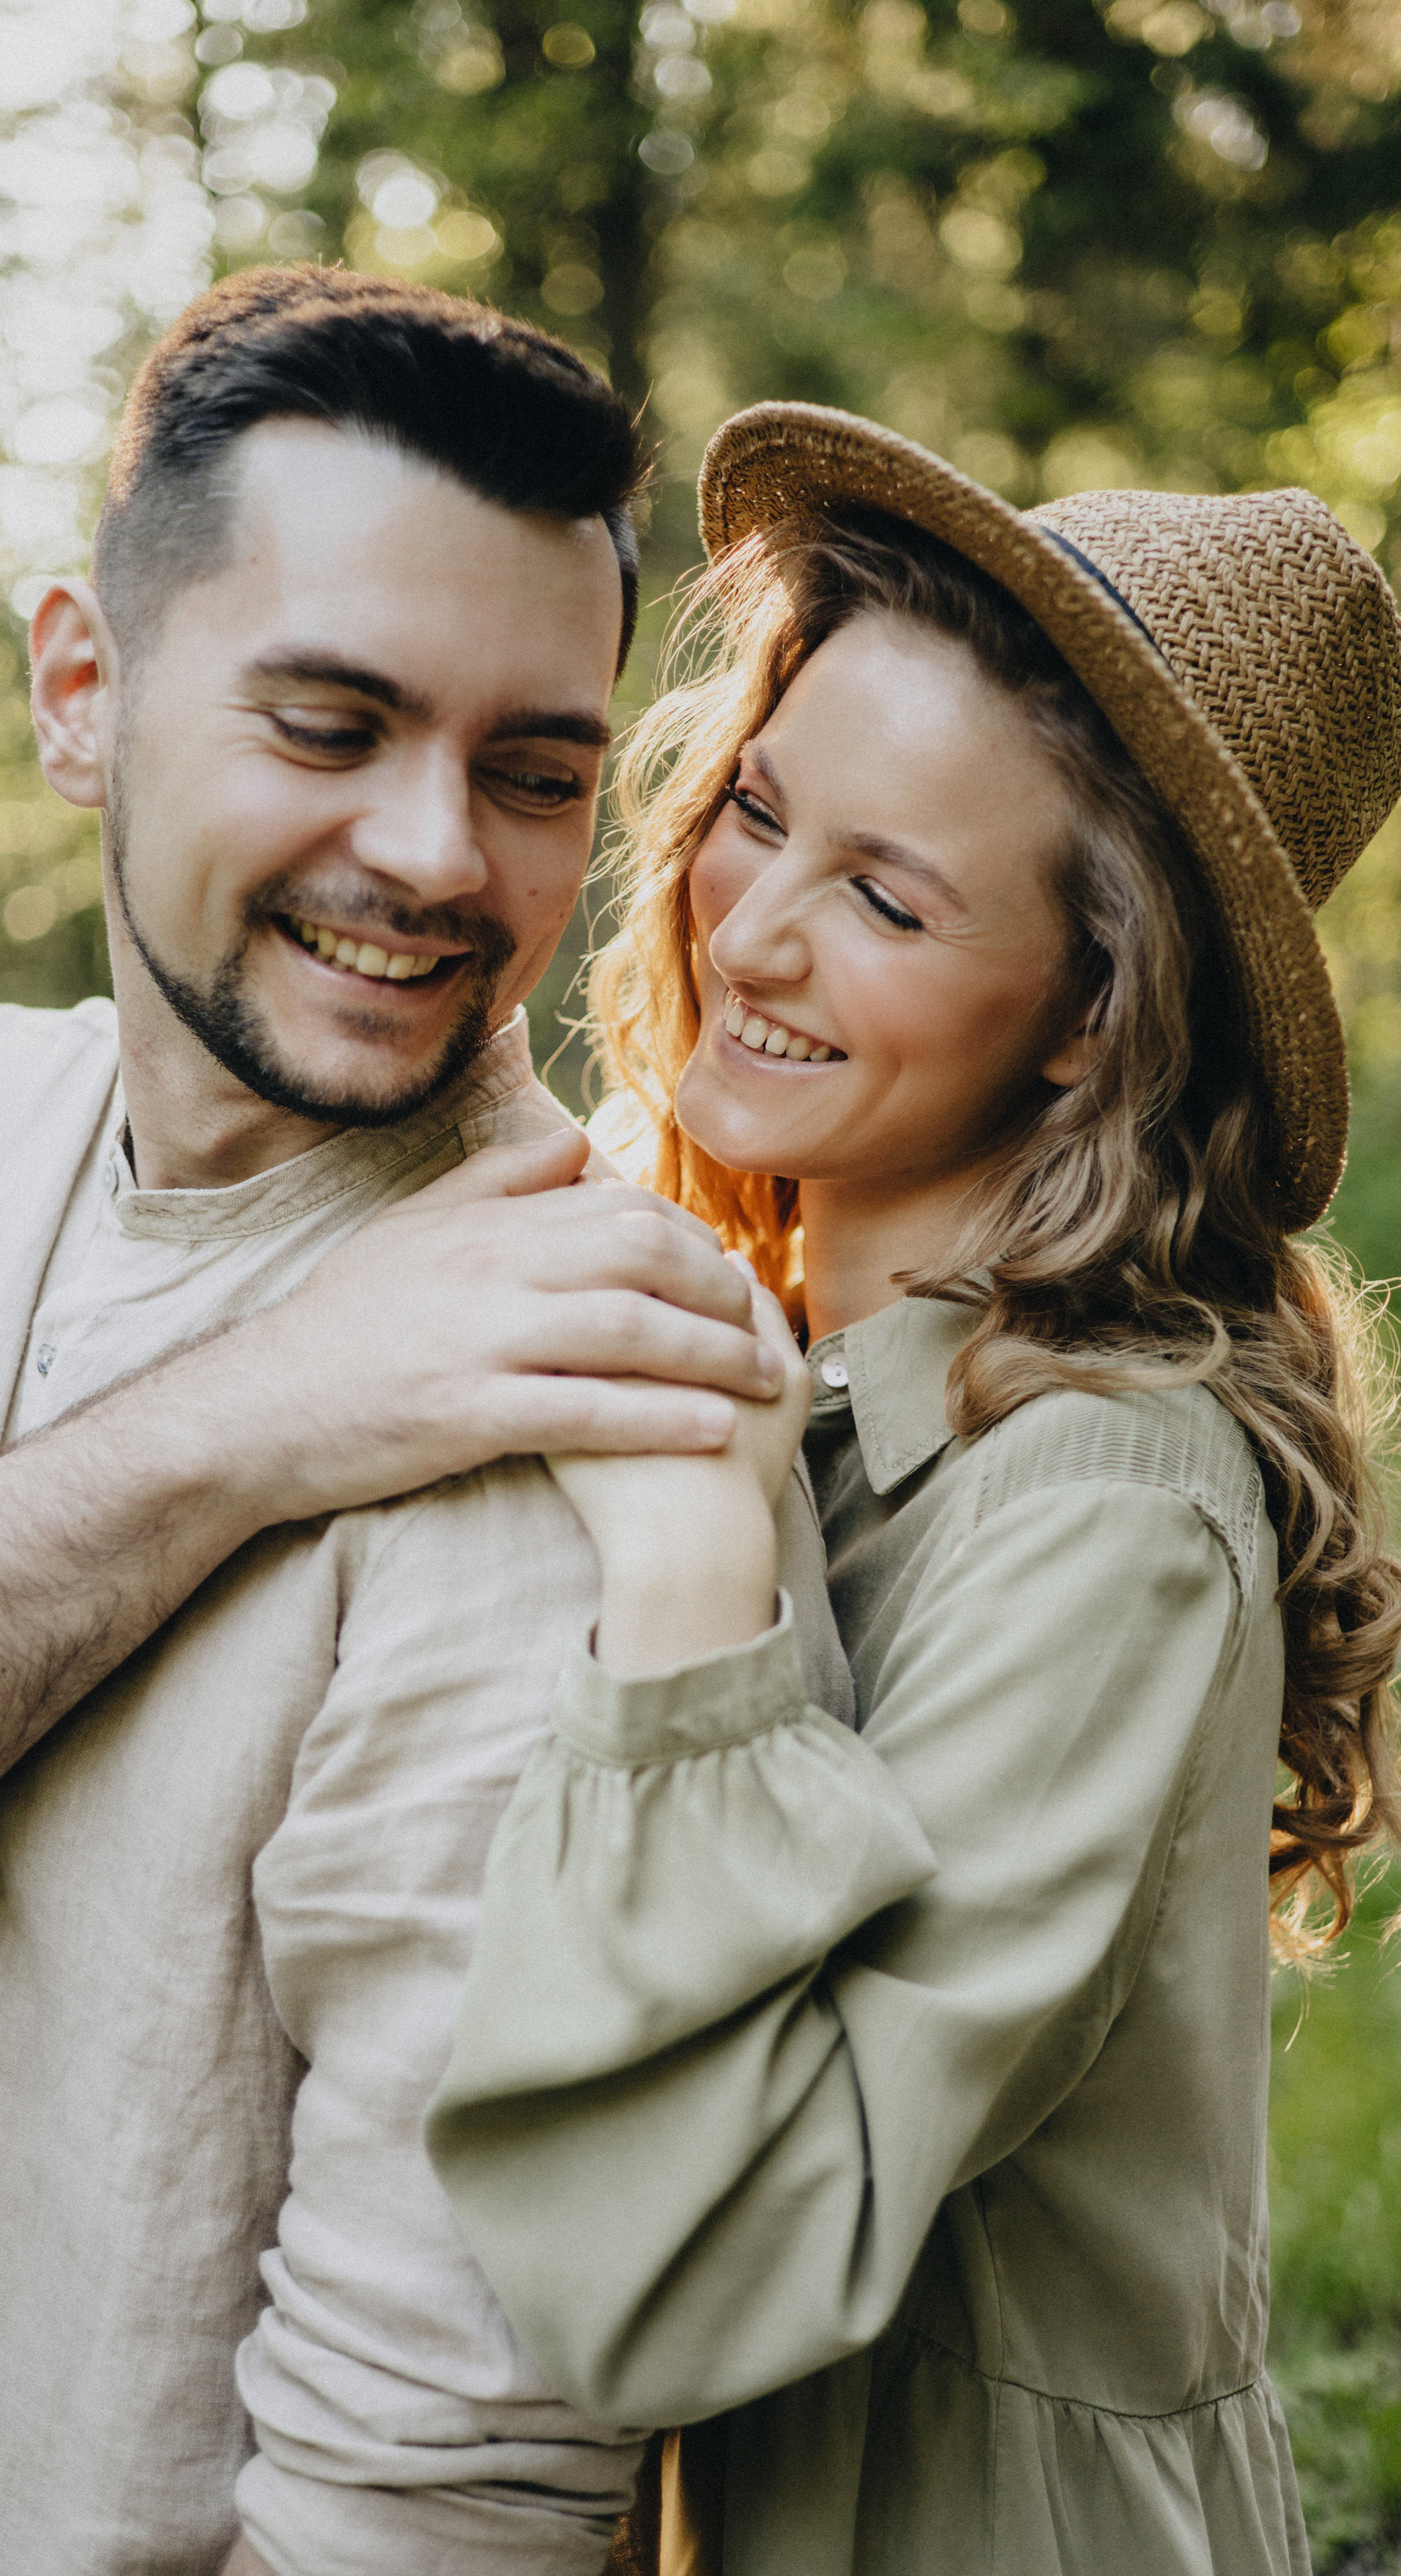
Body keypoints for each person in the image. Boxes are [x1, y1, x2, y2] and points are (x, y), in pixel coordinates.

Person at [0, 271, 819, 2576]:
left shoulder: (599, 1412)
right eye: (329, 722)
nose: (437, 855)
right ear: (81, 693)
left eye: (536, 772)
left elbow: (446, 2479)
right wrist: (253, 1417)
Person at [427, 405, 1401, 2575]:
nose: (751, 928)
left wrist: (700, 1570)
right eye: (759, 813)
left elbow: (683, 2281)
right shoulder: (813, 1375)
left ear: (1089, 1017)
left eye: (883, 895)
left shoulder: (1101, 1507)